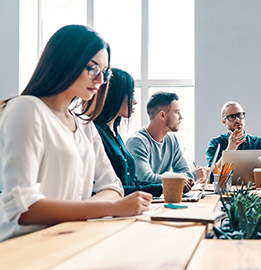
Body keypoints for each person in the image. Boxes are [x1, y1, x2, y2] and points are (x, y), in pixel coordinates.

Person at [0, 25, 151, 241]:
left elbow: (113, 186)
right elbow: (24, 209)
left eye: (104, 71)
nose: (100, 80)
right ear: (65, 62)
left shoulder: (85, 126)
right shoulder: (26, 108)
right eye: (92, 68)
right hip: (24, 246)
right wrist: (111, 208)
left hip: (68, 239)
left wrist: (93, 208)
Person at [94, 68, 163, 197]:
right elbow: (113, 190)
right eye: (132, 94)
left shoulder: (115, 135)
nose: (135, 101)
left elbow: (133, 184)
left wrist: (165, 188)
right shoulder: (96, 133)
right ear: (116, 95)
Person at [126, 92, 206, 191]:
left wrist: (186, 178)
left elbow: (183, 171)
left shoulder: (171, 139)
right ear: (162, 115)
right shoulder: (137, 142)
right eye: (177, 112)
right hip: (146, 201)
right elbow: (146, 178)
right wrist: (193, 175)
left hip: (166, 198)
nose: (181, 117)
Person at [206, 101, 261, 167]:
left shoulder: (259, 143)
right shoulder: (215, 144)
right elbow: (211, 175)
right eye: (232, 117)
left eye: (239, 115)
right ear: (224, 122)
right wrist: (230, 149)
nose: (237, 119)